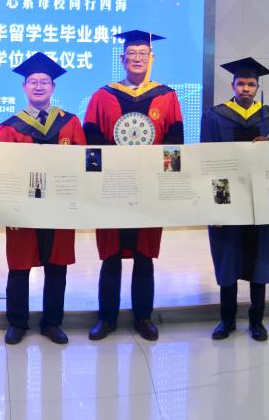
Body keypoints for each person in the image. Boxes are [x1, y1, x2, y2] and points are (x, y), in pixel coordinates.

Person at [82, 30, 183, 342]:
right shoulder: (102, 96)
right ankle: (106, 318)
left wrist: (169, 183)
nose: (137, 58)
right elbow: (90, 143)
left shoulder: (167, 96)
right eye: (132, 53)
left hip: (149, 188)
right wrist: (98, 181)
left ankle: (143, 317)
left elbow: (175, 144)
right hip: (112, 187)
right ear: (122, 58)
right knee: (110, 256)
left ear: (151, 58)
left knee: (144, 255)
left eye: (143, 53)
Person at [0, 52, 86, 345]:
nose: (38, 86)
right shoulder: (10, 127)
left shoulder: (70, 123)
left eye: (44, 82)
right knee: (19, 266)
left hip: (59, 208)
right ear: (24, 87)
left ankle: (52, 322)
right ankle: (17, 322)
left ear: (53, 87)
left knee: (56, 266)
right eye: (33, 82)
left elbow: (83, 164)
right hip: (23, 209)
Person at [200, 57, 269, 342]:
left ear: (257, 87)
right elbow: (206, 160)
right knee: (228, 258)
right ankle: (226, 320)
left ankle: (256, 320)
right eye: (241, 84)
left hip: (259, 199)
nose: (246, 89)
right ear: (233, 85)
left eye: (251, 84)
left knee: (258, 259)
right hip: (225, 197)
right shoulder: (215, 116)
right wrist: (213, 207)